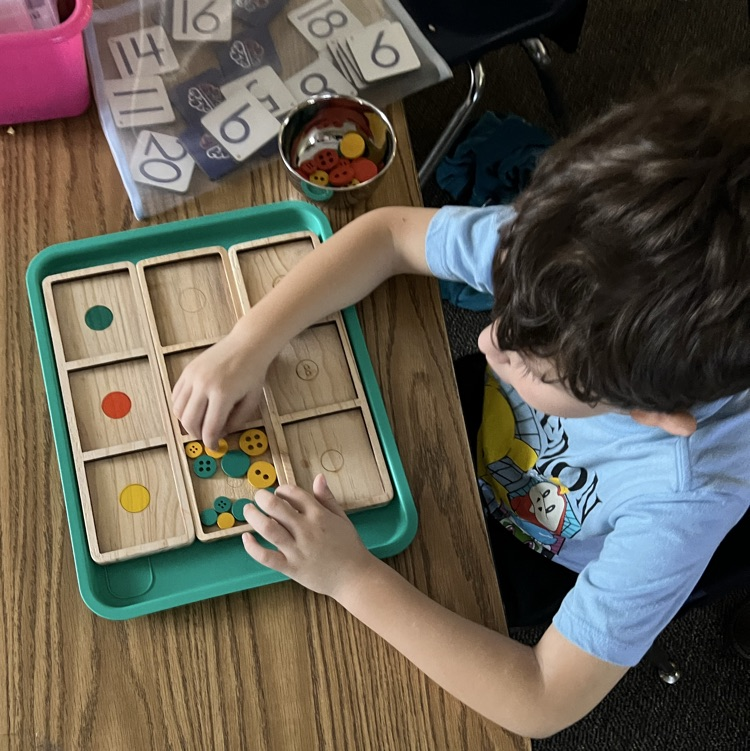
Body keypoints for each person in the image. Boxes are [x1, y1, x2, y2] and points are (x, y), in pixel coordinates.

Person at [172, 74, 750, 739]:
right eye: (501, 309)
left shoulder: (686, 498)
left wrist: (352, 577)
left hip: (543, 551)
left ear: (652, 413)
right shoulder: (572, 251)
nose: (483, 336)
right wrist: (251, 339)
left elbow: (541, 697)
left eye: (529, 364)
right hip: (468, 438)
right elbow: (388, 234)